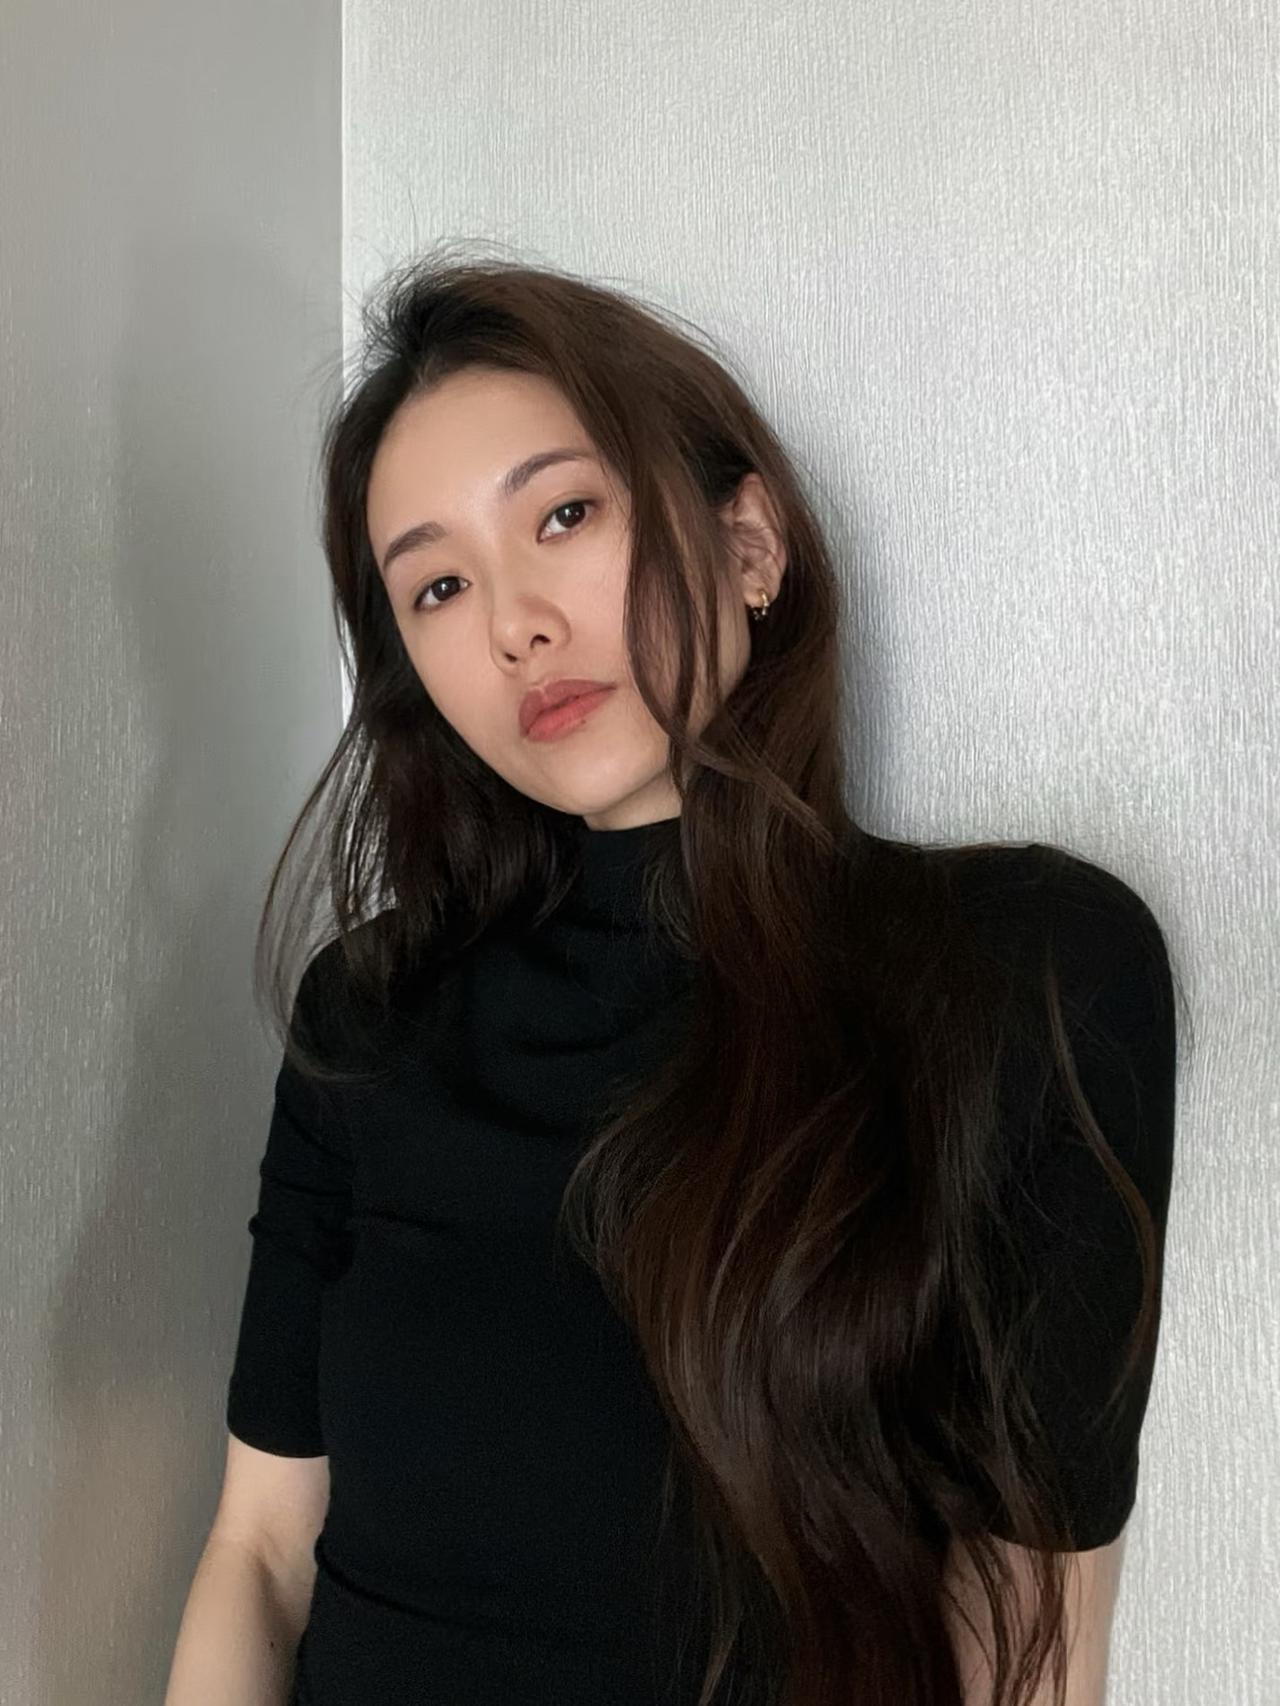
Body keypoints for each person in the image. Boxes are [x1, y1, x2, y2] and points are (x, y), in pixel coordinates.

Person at [164, 252, 1182, 1706]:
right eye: (438, 585)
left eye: (563, 514)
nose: (513, 622)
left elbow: (1033, 1640)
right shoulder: (368, 1015)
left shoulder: (1026, 970)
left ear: (749, 541)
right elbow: (260, 1550)